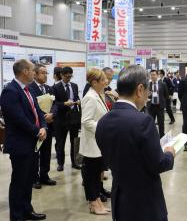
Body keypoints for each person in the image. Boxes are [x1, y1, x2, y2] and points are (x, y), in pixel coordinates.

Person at [96, 65, 175, 221]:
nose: (148, 96)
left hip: (120, 201)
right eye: (147, 91)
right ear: (140, 89)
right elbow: (158, 164)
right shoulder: (143, 121)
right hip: (145, 203)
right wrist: (169, 153)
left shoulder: (103, 121)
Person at [0, 59, 47, 221]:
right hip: (20, 144)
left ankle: (27, 210)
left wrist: (43, 127)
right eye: (33, 70)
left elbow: (38, 111)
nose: (35, 73)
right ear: (25, 71)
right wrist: (37, 131)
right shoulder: (10, 91)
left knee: (29, 180)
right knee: (19, 181)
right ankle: (17, 216)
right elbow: (18, 118)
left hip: (33, 142)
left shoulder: (29, 90)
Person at [80, 68, 110, 215]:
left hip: (98, 143)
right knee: (91, 175)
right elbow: (86, 121)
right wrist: (103, 127)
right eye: (103, 79)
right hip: (92, 144)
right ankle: (93, 202)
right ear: (94, 82)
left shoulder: (99, 95)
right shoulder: (90, 97)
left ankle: (97, 201)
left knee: (97, 174)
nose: (106, 82)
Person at [29, 64, 57, 189]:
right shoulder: (29, 88)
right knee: (35, 152)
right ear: (34, 74)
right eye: (42, 72)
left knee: (46, 152)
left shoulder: (49, 88)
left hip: (48, 125)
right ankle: (34, 178)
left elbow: (55, 104)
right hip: (36, 127)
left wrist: (52, 114)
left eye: (46, 72)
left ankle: (44, 175)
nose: (45, 75)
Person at [53, 66, 81, 171]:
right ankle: (61, 163)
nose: (69, 78)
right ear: (61, 75)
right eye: (66, 76)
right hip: (61, 119)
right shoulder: (55, 87)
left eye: (70, 76)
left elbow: (76, 97)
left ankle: (75, 162)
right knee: (61, 142)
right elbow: (54, 103)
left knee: (74, 141)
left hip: (73, 118)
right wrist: (64, 103)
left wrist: (78, 100)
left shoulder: (74, 86)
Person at [148, 70, 169, 138]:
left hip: (160, 107)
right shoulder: (148, 85)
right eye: (151, 75)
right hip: (151, 107)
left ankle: (162, 136)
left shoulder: (163, 84)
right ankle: (151, 137)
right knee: (150, 123)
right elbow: (145, 95)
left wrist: (164, 105)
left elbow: (166, 96)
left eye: (154, 75)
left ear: (157, 75)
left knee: (161, 123)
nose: (153, 76)